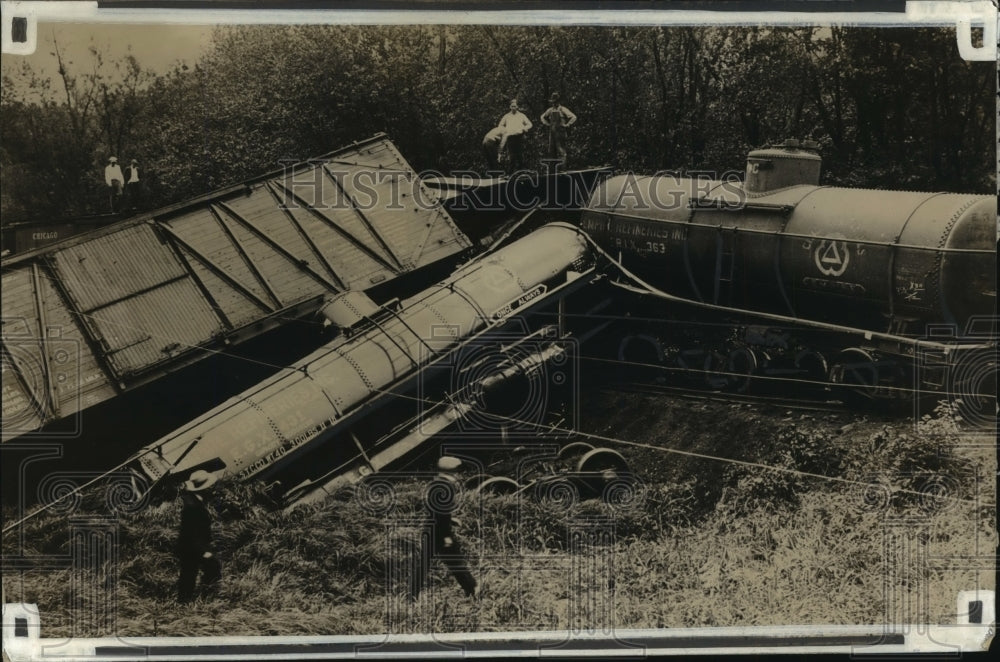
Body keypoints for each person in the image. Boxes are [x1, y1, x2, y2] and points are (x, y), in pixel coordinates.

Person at [410, 456, 477, 599]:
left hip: (430, 530)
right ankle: (471, 589)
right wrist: (446, 536)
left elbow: (435, 510)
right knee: (455, 562)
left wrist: (450, 520)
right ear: (452, 471)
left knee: (424, 565)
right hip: (439, 532)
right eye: (458, 471)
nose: (459, 475)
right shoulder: (446, 486)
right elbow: (441, 513)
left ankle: (412, 595)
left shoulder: (436, 484)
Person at [176, 470, 222, 603]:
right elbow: (190, 533)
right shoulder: (193, 507)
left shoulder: (195, 502)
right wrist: (203, 551)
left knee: (193, 573)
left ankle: (198, 597)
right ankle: (192, 600)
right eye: (209, 487)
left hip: (194, 546)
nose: (211, 489)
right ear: (204, 488)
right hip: (192, 547)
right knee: (190, 574)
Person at [540, 93, 577, 170]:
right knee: (551, 151)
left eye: (555, 102)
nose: (554, 103)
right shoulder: (550, 110)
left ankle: (563, 169)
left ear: (558, 101)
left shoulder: (563, 109)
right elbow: (542, 117)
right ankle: (553, 170)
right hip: (552, 133)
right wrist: (547, 124)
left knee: (561, 151)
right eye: (553, 102)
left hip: (560, 133)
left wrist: (567, 124)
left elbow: (574, 117)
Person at [498, 99, 532, 173]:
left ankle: (521, 173)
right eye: (512, 106)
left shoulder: (521, 115)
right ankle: (510, 174)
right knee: (511, 157)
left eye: (515, 106)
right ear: (510, 107)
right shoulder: (506, 116)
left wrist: (524, 128)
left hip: (519, 137)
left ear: (517, 107)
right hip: (510, 138)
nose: (513, 108)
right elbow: (500, 125)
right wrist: (505, 130)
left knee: (520, 156)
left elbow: (530, 124)